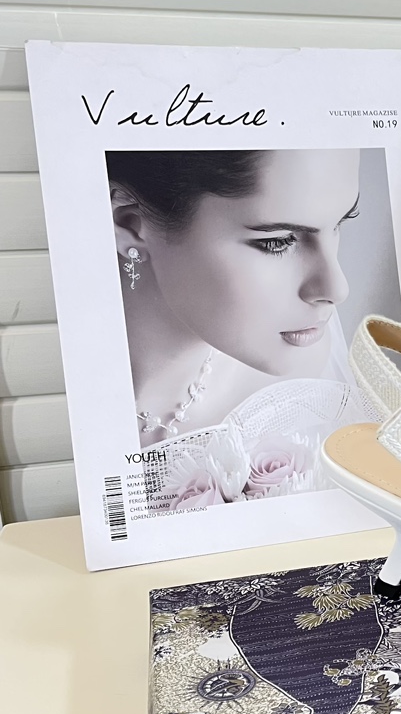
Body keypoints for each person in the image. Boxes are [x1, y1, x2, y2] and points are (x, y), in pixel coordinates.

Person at [107, 148, 367, 506]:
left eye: (339, 224)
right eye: (276, 242)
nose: (337, 289)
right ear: (130, 224)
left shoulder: (304, 380)